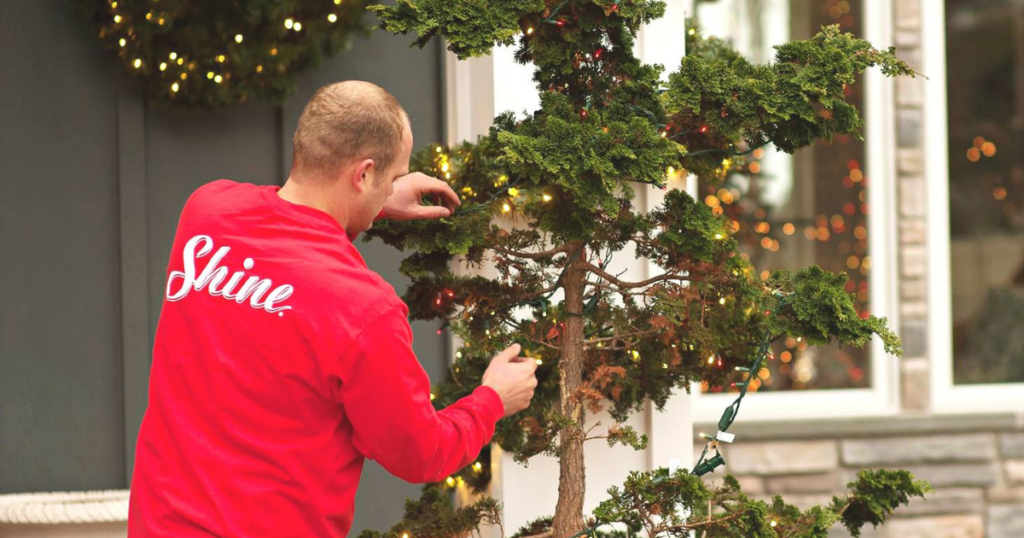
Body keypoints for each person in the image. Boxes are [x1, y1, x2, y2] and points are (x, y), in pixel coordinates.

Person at [127, 80, 538, 537]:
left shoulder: (206, 213)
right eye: (391, 175)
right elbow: (420, 452)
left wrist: (374, 203)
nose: (393, 185)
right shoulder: (364, 310)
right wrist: (492, 400)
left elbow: (290, 223)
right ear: (361, 175)